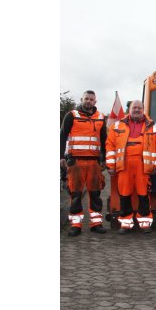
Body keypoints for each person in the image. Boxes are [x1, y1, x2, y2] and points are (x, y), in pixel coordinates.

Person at [106, 100, 156, 234]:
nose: (137, 110)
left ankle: (145, 223)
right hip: (124, 165)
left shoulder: (154, 126)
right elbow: (110, 146)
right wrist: (110, 165)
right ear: (129, 109)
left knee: (143, 194)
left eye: (139, 108)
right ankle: (125, 223)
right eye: (134, 108)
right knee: (124, 194)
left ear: (143, 110)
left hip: (143, 166)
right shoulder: (117, 126)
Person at [61, 90, 108, 236]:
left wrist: (104, 158)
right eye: (86, 98)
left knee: (95, 194)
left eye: (91, 99)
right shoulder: (71, 115)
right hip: (75, 161)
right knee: (75, 194)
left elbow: (104, 140)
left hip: (94, 162)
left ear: (95, 101)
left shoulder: (100, 117)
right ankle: (76, 224)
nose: (88, 101)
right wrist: (60, 157)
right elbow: (62, 136)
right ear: (82, 99)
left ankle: (96, 223)